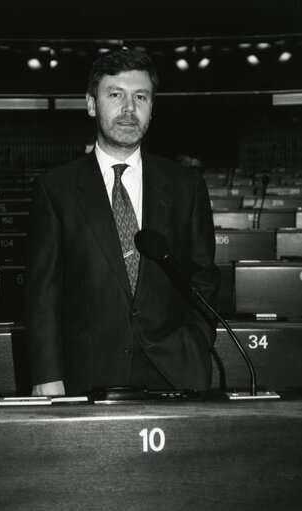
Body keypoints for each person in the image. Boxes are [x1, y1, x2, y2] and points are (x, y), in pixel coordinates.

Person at [25, 48, 220, 396]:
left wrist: (196, 343)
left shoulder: (186, 185)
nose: (129, 108)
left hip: (176, 371)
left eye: (140, 96)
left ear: (151, 108)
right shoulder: (54, 189)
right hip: (87, 371)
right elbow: (43, 294)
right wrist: (46, 374)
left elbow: (203, 277)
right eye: (116, 94)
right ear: (91, 104)